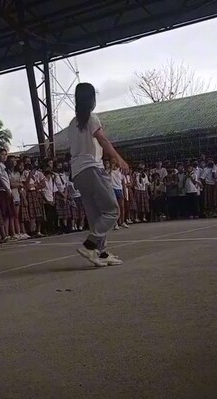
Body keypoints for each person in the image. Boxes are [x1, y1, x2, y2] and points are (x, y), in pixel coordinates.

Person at [69, 83, 128, 266]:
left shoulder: (73, 123)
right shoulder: (92, 118)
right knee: (112, 211)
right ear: (91, 99)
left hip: (78, 173)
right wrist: (118, 158)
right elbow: (102, 139)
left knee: (95, 215)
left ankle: (100, 253)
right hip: (92, 168)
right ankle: (89, 245)